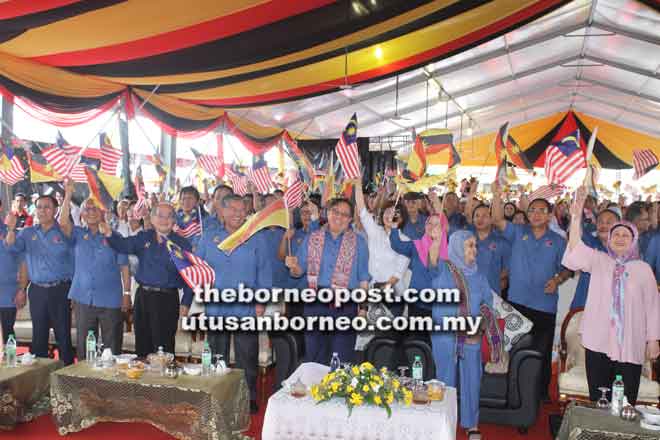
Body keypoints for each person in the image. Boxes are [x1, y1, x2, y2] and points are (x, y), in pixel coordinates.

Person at [563, 187, 660, 405]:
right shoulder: (598, 260)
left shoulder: (643, 269)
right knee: (599, 399)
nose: (620, 238)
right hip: (598, 340)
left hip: (630, 343)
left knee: (626, 401)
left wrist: (653, 340)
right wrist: (576, 216)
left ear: (634, 240)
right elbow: (575, 250)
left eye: (626, 235)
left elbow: (653, 307)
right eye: (615, 234)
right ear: (608, 239)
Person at [492, 183, 571, 402]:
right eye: (532, 210)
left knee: (542, 352)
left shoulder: (557, 241)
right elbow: (498, 220)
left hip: (544, 305)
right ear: (527, 214)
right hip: (517, 303)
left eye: (541, 211)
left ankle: (541, 393)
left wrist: (557, 279)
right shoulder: (518, 232)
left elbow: (568, 268)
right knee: (515, 348)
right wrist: (497, 195)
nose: (536, 214)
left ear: (549, 215)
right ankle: (514, 390)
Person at [194, 193, 271, 414]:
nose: (238, 214)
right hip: (217, 305)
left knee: (247, 355)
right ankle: (217, 396)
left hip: (246, 305)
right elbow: (199, 269)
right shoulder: (209, 237)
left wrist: (261, 301)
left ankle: (247, 397)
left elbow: (264, 271)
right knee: (217, 353)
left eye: (242, 210)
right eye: (233, 209)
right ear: (222, 211)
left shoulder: (256, 237)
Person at [100, 202, 192, 357]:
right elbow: (123, 246)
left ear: (174, 220)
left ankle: (162, 381)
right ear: (153, 219)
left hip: (167, 300)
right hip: (143, 297)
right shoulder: (144, 237)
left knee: (164, 350)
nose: (164, 219)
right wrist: (109, 233)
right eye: (160, 215)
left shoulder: (182, 244)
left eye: (169, 216)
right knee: (142, 347)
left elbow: (191, 277)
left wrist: (186, 303)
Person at [286, 198, 370, 364]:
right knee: (314, 354)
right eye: (336, 212)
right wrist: (293, 266)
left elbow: (363, 279)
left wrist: (363, 309)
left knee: (342, 355)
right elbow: (298, 272)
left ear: (350, 219)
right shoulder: (312, 238)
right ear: (327, 213)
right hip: (315, 303)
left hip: (346, 304)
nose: (339, 217)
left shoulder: (359, 242)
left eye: (345, 214)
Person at [430, 230, 492, 440]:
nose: (474, 250)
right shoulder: (444, 269)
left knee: (472, 379)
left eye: (475, 245)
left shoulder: (480, 275)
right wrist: (437, 240)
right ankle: (442, 421)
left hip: (471, 337)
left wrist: (480, 329)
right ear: (457, 247)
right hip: (445, 336)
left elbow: (487, 307)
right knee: (445, 379)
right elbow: (432, 259)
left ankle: (471, 424)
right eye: (469, 245)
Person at [59, 180, 131, 358]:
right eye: (87, 209)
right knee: (85, 349)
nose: (91, 212)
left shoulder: (114, 236)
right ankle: (85, 384)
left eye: (95, 208)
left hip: (111, 300)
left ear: (103, 211)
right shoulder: (77, 234)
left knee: (112, 350)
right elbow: (62, 224)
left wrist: (127, 294)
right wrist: (68, 195)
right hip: (83, 299)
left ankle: (111, 386)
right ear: (81, 214)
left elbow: (124, 268)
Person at [5, 195, 75, 365]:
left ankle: (67, 380)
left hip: (60, 289)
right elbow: (11, 246)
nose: (42, 211)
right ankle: (40, 382)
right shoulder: (28, 233)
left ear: (56, 210)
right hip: (37, 290)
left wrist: (68, 192)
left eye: (47, 207)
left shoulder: (64, 230)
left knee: (63, 337)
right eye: (39, 207)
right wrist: (11, 229)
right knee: (39, 337)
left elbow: (75, 261)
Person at [570, 207, 620, 311]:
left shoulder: (625, 253)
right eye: (600, 222)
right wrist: (576, 215)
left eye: (608, 222)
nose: (603, 225)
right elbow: (575, 237)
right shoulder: (590, 243)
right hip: (583, 307)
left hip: (611, 311)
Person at [0, 199, 27, 343]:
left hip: (6, 296)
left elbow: (23, 263)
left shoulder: (13, 233)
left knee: (7, 337)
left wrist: (22, 289)